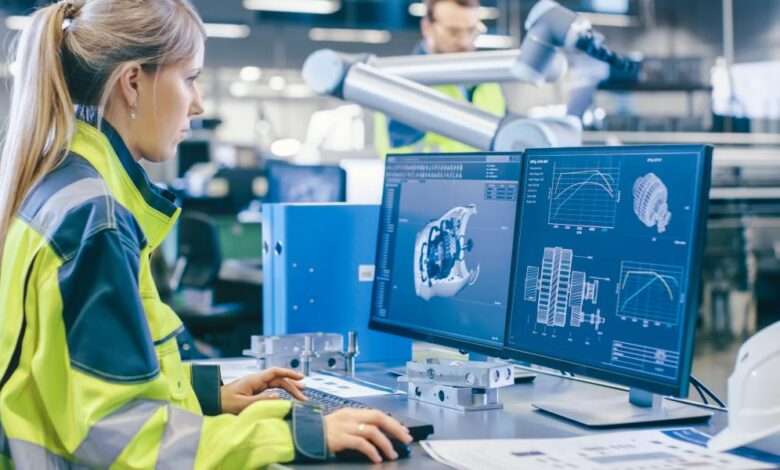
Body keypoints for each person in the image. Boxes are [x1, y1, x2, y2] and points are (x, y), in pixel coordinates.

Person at [0, 0, 411, 468]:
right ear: (133, 82)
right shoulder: (98, 220)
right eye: (190, 78)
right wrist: (296, 433)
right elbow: (121, 438)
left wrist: (207, 396)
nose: (197, 104)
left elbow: (72, 377)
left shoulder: (61, 185)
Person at [374, 0, 506, 155]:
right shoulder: (404, 84)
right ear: (427, 28)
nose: (464, 42)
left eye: (471, 31)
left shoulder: (489, 84)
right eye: (453, 32)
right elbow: (398, 156)